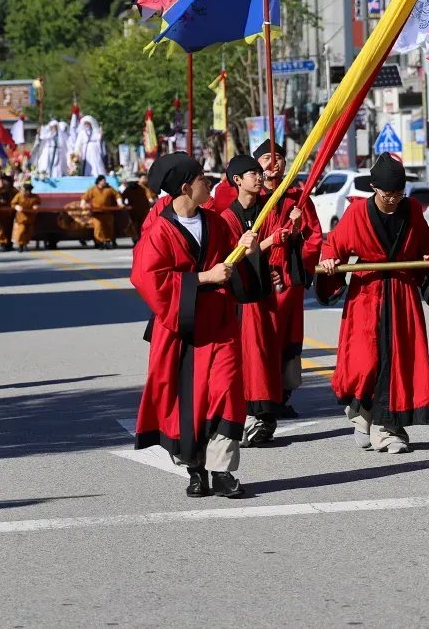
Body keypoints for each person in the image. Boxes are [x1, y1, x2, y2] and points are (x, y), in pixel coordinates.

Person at [130, 152, 270, 498]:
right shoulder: (159, 231)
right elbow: (148, 279)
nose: (209, 183)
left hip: (220, 325)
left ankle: (222, 471)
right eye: (202, 179)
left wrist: (246, 251)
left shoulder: (217, 222)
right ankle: (196, 471)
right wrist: (203, 277)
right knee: (187, 402)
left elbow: (232, 267)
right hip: (181, 330)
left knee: (225, 393)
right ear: (184, 187)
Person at [317, 154, 429, 454]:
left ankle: (390, 431)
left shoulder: (412, 210)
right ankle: (360, 413)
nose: (394, 201)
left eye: (399, 195)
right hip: (367, 296)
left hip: (401, 295)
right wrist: (330, 262)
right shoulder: (357, 213)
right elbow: (332, 247)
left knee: (400, 362)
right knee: (364, 361)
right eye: (388, 195)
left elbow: (426, 245)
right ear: (374, 188)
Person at [217, 155, 283, 446]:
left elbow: (278, 248)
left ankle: (265, 416)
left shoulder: (268, 210)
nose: (259, 177)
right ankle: (245, 415)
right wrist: (267, 242)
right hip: (240, 298)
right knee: (245, 357)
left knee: (266, 354)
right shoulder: (227, 218)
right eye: (252, 174)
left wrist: (284, 245)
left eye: (260, 172)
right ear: (237, 181)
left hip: (265, 295)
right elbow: (232, 256)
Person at [255, 138, 323, 419]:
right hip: (261, 278)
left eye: (280, 157)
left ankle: (282, 395)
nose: (274, 163)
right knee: (260, 338)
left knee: (288, 340)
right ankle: (260, 394)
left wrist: (296, 239)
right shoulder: (252, 196)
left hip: (288, 279)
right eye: (266, 159)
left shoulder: (299, 197)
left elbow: (315, 237)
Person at [84, 174, 121, 249]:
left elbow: (117, 196)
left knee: (109, 228)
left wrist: (120, 203)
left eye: (105, 180)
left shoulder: (109, 189)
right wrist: (83, 205)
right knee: (98, 228)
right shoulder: (92, 189)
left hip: (108, 213)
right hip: (97, 214)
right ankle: (100, 242)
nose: (104, 182)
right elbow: (85, 198)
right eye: (103, 180)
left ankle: (107, 242)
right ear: (99, 181)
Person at [121, 172, 153, 245]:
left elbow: (149, 196)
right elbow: (122, 198)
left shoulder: (142, 189)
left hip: (143, 210)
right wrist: (125, 205)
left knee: (144, 224)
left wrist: (150, 202)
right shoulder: (128, 190)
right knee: (133, 225)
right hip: (133, 211)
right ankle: (135, 238)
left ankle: (142, 238)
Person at [11, 180, 40, 251]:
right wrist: (16, 207)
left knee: (28, 232)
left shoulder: (35, 196)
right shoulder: (19, 195)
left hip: (30, 217)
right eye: (26, 190)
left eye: (29, 190)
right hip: (21, 217)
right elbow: (13, 203)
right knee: (21, 230)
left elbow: (38, 202)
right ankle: (20, 244)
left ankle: (25, 244)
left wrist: (36, 206)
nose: (27, 192)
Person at [0, 174, 18, 250]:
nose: (3, 182)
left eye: (4, 181)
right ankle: (2, 242)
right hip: (2, 213)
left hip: (11, 213)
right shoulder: (0, 190)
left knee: (10, 229)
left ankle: (9, 243)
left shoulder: (14, 190)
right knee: (2, 228)